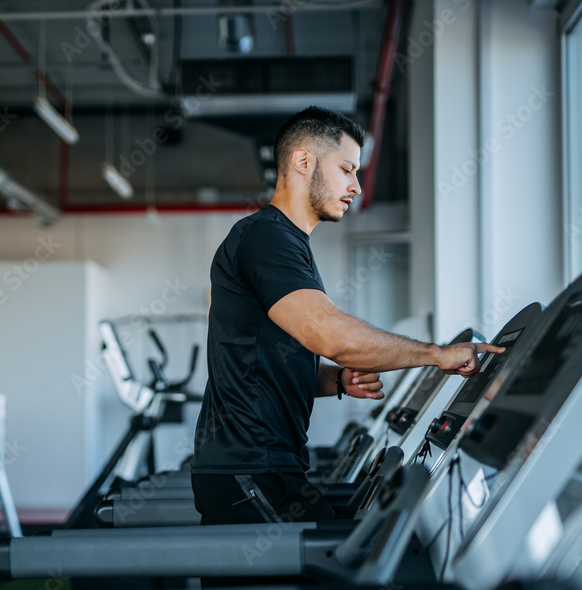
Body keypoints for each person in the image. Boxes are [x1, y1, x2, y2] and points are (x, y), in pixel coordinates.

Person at [191, 106, 504, 526]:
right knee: (338, 569)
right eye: (346, 169)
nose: (355, 186)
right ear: (304, 161)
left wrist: (336, 379)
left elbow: (264, 358)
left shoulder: (284, 242)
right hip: (251, 469)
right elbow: (329, 335)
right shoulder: (267, 237)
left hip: (260, 465)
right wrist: (437, 354)